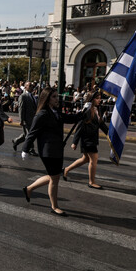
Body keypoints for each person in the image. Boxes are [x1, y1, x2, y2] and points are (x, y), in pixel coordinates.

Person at [21, 87, 85, 216]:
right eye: (54, 97)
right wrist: (25, 149)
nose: (57, 99)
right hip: (48, 152)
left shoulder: (56, 111)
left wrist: (83, 112)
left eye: (57, 96)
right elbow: (32, 132)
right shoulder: (42, 114)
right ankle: (54, 206)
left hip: (57, 149)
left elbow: (69, 118)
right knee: (55, 178)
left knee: (53, 176)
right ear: (47, 99)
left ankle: (29, 189)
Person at [63, 90, 109, 189]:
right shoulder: (87, 110)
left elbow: (101, 124)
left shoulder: (97, 109)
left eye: (100, 98)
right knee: (94, 159)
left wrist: (109, 134)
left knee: (85, 159)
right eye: (97, 98)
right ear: (91, 99)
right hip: (87, 139)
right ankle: (91, 182)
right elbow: (80, 126)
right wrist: (74, 142)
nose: (99, 100)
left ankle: (66, 170)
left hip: (92, 139)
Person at [12, 82, 38, 155]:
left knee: (26, 134)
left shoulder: (32, 96)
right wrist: (21, 119)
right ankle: (31, 149)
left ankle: (16, 141)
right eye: (30, 86)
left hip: (32, 119)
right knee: (29, 134)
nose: (32, 87)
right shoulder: (23, 96)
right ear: (25, 87)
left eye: (32, 86)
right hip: (26, 119)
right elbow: (21, 108)